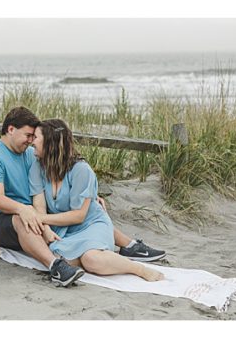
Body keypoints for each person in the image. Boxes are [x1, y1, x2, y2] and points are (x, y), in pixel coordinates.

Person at [29, 119, 166, 283]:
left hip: (90, 223)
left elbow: (78, 216)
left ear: (49, 142)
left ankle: (139, 269)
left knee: (91, 260)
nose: (31, 141)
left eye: (36, 137)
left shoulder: (81, 170)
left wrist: (40, 219)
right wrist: (45, 228)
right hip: (63, 229)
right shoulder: (38, 166)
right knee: (62, 260)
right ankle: (113, 255)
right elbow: (39, 205)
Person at [0, 106, 84, 286]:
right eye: (28, 135)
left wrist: (89, 194)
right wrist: (23, 209)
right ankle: (56, 266)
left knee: (84, 211)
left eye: (33, 137)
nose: (31, 140)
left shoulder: (29, 154)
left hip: (33, 212)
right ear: (11, 130)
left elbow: (57, 174)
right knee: (21, 219)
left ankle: (128, 247)